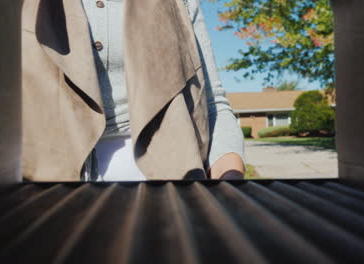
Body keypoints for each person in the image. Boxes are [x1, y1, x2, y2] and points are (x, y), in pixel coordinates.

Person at [21, 0, 245, 181]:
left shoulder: (180, 3)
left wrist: (230, 180)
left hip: (172, 185)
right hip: (55, 189)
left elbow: (213, 107)